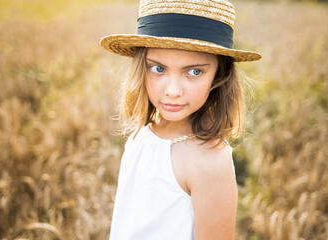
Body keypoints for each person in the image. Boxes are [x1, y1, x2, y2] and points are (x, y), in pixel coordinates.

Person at [100, 0, 261, 239]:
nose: (173, 90)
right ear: (141, 67)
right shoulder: (142, 131)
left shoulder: (209, 161)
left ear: (220, 74)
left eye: (194, 71)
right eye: (158, 69)